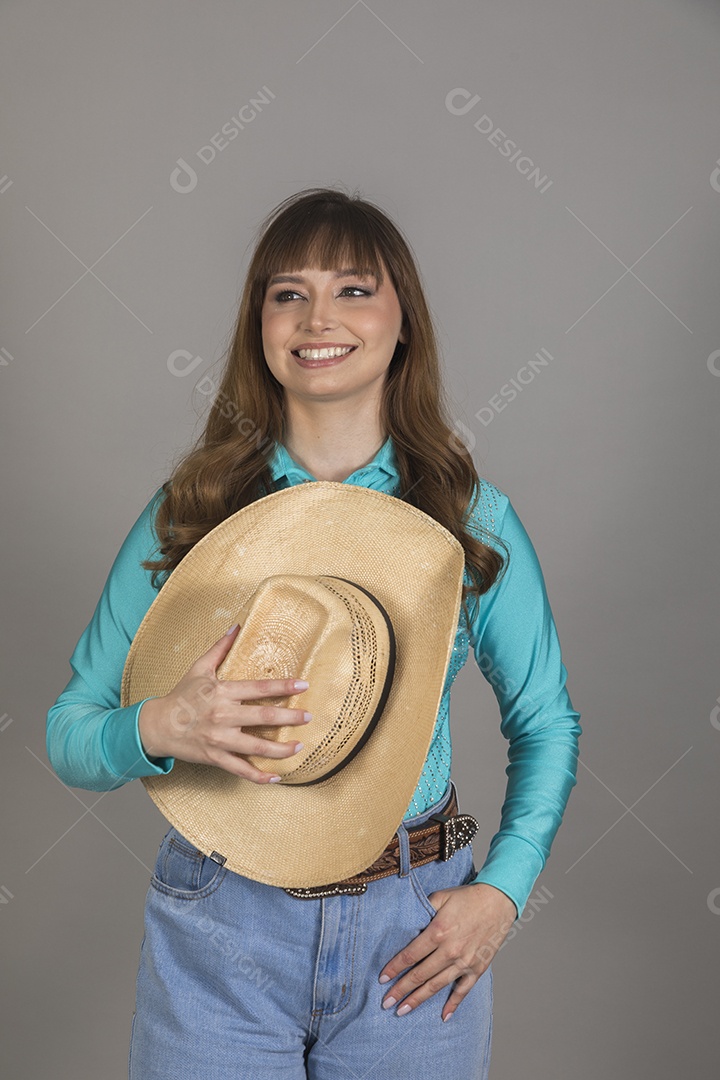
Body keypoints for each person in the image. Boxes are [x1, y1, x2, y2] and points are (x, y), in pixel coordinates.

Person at [46, 186, 582, 1079]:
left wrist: (504, 890)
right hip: (221, 921)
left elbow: (546, 721)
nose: (316, 318)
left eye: (353, 289)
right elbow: (71, 731)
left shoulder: (467, 520)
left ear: (404, 322)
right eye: (287, 293)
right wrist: (157, 727)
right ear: (259, 325)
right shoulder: (192, 513)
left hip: (414, 927)